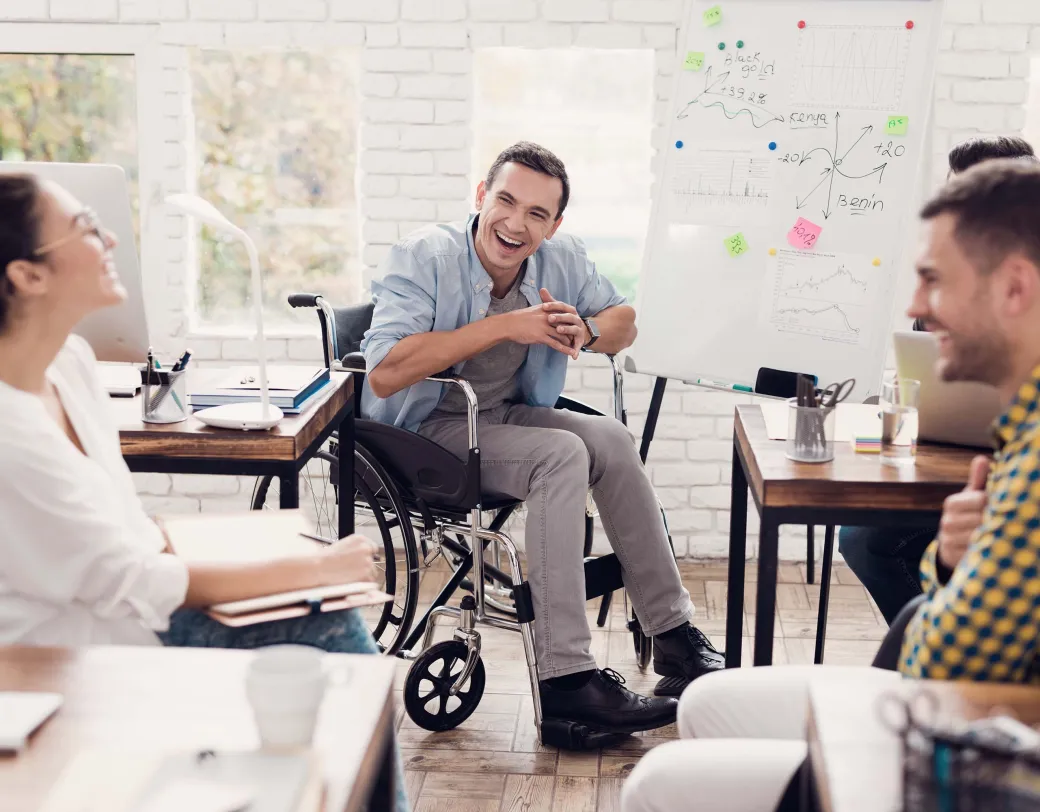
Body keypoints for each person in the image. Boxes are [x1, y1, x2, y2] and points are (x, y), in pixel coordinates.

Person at [622, 158, 1040, 812]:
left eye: (934, 280)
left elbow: (939, 666)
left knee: (656, 784)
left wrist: (944, 583)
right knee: (704, 699)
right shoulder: (1022, 427)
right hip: (969, 716)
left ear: (1013, 288)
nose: (914, 305)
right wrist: (954, 564)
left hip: (986, 749)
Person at [0, 175, 407, 811]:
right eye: (84, 227)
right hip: (70, 656)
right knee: (329, 628)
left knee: (328, 616)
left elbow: (124, 530)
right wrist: (311, 568)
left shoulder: (70, 364)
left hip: (132, 606)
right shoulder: (9, 435)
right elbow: (135, 578)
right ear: (27, 275)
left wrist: (280, 564)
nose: (108, 237)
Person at [360, 141, 724, 736]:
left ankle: (674, 637)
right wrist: (508, 325)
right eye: (506, 200)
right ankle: (567, 682)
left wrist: (587, 327)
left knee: (608, 439)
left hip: (501, 415)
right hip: (421, 430)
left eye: (537, 213)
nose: (515, 223)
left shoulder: (562, 259)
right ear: (481, 196)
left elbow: (624, 321)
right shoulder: (424, 255)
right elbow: (386, 369)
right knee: (561, 455)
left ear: (554, 224)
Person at [840, 133, 1037, 625]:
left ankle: (936, 647)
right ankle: (933, 646)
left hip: (1009, 478)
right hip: (950, 465)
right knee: (862, 536)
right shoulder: (952, 285)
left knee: (869, 541)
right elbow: (924, 373)